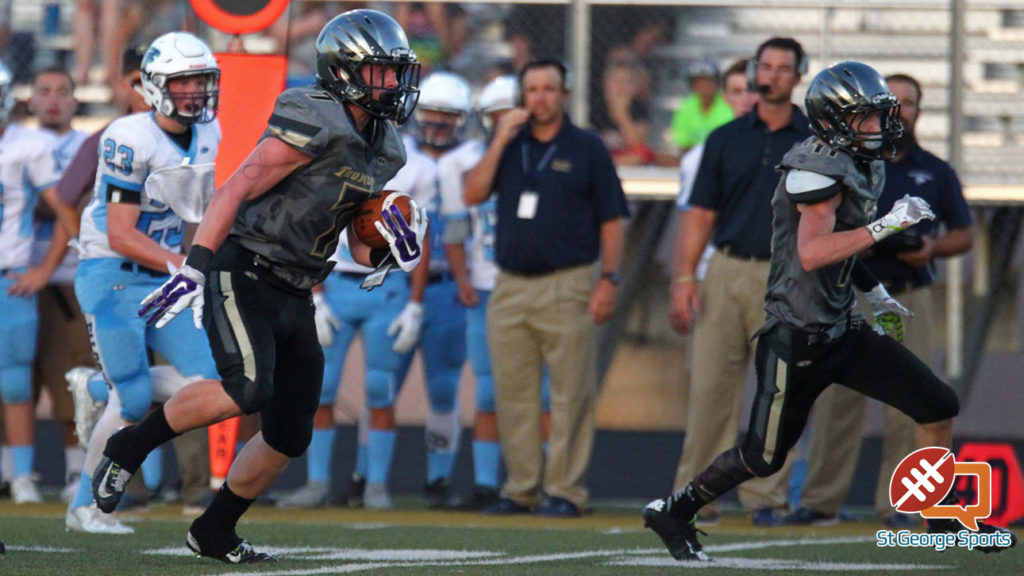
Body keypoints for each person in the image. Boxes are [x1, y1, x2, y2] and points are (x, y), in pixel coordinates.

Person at [643, 60, 1017, 562]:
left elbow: (842, 251)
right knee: (763, 456)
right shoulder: (813, 167)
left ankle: (940, 520)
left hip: (841, 329)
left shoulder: (865, 160)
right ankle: (674, 510)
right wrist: (887, 226)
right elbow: (813, 252)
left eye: (880, 115)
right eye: (867, 117)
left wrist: (876, 293)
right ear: (836, 120)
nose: (880, 126)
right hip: (794, 336)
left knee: (936, 404)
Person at [93, 10, 424, 563]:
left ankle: (214, 531)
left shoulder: (387, 148)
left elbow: (353, 239)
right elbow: (237, 187)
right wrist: (196, 265)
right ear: (344, 72)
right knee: (248, 386)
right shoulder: (313, 114)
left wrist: (390, 248)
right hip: (243, 265)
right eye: (382, 72)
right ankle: (127, 447)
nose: (393, 83)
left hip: (298, 285)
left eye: (396, 72)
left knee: (290, 435)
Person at [785, 73, 975, 527]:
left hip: (908, 292)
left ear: (919, 111)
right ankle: (821, 501)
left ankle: (902, 505)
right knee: (836, 400)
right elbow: (820, 230)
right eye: (890, 103)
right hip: (849, 292)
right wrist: (866, 241)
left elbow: (964, 233)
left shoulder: (936, 170)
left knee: (909, 400)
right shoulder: (848, 162)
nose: (898, 112)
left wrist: (930, 248)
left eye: (908, 103)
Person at [64, 31, 222, 534]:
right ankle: (84, 508)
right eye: (184, 82)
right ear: (154, 86)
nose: (196, 92)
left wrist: (195, 261)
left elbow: (196, 212)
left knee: (214, 385)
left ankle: (95, 386)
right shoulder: (128, 136)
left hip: (164, 274)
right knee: (131, 402)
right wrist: (184, 266)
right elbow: (120, 233)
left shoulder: (208, 131)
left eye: (202, 80)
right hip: (112, 272)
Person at [463, 58, 628, 517]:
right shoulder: (509, 144)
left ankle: (565, 491)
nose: (539, 97)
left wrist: (608, 280)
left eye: (548, 89)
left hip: (569, 282)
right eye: (531, 89)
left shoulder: (588, 147)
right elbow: (472, 193)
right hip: (510, 285)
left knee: (570, 394)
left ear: (565, 95)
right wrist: (498, 140)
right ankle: (521, 490)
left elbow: (613, 219)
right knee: (513, 395)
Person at [668, 37, 811, 526]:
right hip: (726, 270)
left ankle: (768, 499)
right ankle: (695, 497)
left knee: (778, 393)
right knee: (709, 390)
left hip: (787, 274)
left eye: (782, 68)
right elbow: (700, 212)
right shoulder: (725, 138)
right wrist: (685, 275)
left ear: (797, 76)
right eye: (764, 67)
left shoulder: (814, 139)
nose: (771, 76)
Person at [439, 74, 552, 510]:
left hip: (533, 281)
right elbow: (455, 229)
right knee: (487, 392)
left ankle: (543, 482)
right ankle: (487, 483)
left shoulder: (543, 156)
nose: (506, 122)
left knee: (540, 393)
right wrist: (463, 278)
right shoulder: (463, 161)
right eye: (497, 116)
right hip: (485, 288)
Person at [0, 59, 65, 504]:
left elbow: (66, 212)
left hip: (10, 278)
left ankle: (22, 477)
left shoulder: (29, 145)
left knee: (15, 382)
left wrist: (43, 271)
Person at [27, 66, 91, 505]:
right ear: (28, 100)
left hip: (67, 279)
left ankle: (74, 474)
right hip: (13, 278)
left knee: (71, 381)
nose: (53, 99)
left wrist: (48, 201)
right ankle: (16, 474)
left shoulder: (86, 146)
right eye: (44, 91)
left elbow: (79, 206)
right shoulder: (17, 143)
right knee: (14, 386)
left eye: (62, 91)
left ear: (74, 100)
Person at [669, 59, 734, 153]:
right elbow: (683, 143)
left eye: (708, 81)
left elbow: (729, 142)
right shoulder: (686, 107)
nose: (704, 86)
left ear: (717, 83)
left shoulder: (728, 105)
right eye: (699, 82)